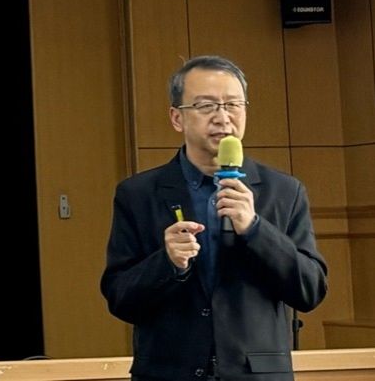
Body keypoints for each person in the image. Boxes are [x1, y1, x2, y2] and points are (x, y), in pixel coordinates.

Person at [101, 55, 327, 381]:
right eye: (206, 106)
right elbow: (119, 298)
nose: (223, 118)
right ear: (177, 118)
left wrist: (256, 230)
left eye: (233, 104)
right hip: (169, 373)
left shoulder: (284, 191)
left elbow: (310, 290)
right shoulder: (137, 194)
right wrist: (168, 263)